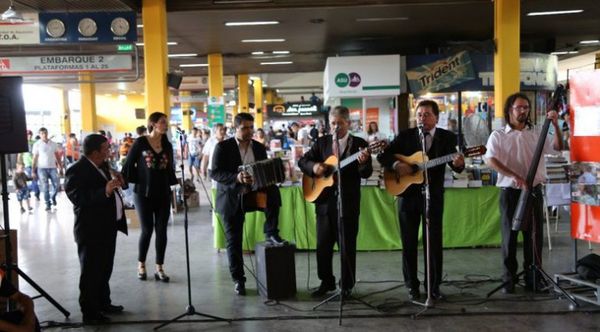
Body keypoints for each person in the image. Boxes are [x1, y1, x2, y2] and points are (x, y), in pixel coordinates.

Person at [377, 100, 464, 301]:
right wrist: (398, 164)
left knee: (433, 243)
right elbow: (384, 156)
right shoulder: (406, 136)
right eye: (419, 115)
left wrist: (459, 163)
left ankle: (433, 287)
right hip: (407, 197)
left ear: (436, 117)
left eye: (426, 114)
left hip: (433, 197)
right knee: (408, 243)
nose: (422, 118)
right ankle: (412, 287)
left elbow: (455, 165)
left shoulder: (447, 137)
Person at [484, 92, 562, 294]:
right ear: (509, 110)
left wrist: (554, 125)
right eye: (519, 107)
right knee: (510, 237)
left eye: (526, 108)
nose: (523, 111)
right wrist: (515, 176)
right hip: (511, 192)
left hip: (534, 191)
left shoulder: (537, 132)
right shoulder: (498, 135)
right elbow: (490, 159)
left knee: (534, 237)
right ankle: (508, 279)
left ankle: (533, 278)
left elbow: (558, 147)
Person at [298, 106, 372, 298]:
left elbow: (366, 173)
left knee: (347, 247)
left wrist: (363, 162)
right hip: (323, 203)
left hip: (348, 203)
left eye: (340, 123)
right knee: (323, 245)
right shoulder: (321, 143)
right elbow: (303, 162)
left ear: (348, 123)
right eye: (333, 123)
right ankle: (326, 281)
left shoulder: (360, 144)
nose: (336, 127)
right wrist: (315, 167)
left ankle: (346, 286)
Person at [210, 113, 287, 296]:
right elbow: (215, 173)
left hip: (254, 193)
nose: (249, 131)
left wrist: (273, 176)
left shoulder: (259, 147)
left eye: (251, 127)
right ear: (235, 128)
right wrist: (236, 177)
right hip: (232, 197)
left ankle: (271, 232)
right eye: (244, 128)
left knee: (274, 192)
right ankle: (239, 279)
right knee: (234, 241)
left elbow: (264, 168)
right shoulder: (222, 147)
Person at [64, 134, 128, 324]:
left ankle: (103, 302)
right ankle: (90, 313)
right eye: (106, 148)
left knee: (104, 268)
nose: (109, 151)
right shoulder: (76, 170)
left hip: (108, 227)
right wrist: (105, 191)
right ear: (95, 152)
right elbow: (78, 198)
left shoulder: (104, 166)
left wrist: (118, 182)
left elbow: (112, 188)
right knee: (91, 273)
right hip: (90, 230)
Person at [122, 112, 178, 283]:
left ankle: (159, 267)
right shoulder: (141, 142)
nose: (165, 125)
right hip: (143, 194)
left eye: (166, 122)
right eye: (162, 122)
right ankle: (141, 264)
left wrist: (174, 185)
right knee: (147, 230)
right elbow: (129, 164)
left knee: (162, 230)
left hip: (163, 193)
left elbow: (170, 168)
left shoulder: (167, 144)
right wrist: (127, 184)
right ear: (153, 124)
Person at [32, 127, 63, 211]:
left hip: (53, 167)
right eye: (42, 133)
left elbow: (57, 156)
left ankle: (53, 197)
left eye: (45, 133)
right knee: (45, 187)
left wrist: (60, 167)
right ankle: (48, 204)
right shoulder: (37, 144)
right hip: (41, 168)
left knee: (56, 185)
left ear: (47, 133)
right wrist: (33, 171)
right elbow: (35, 158)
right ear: (40, 134)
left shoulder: (53, 144)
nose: (44, 135)